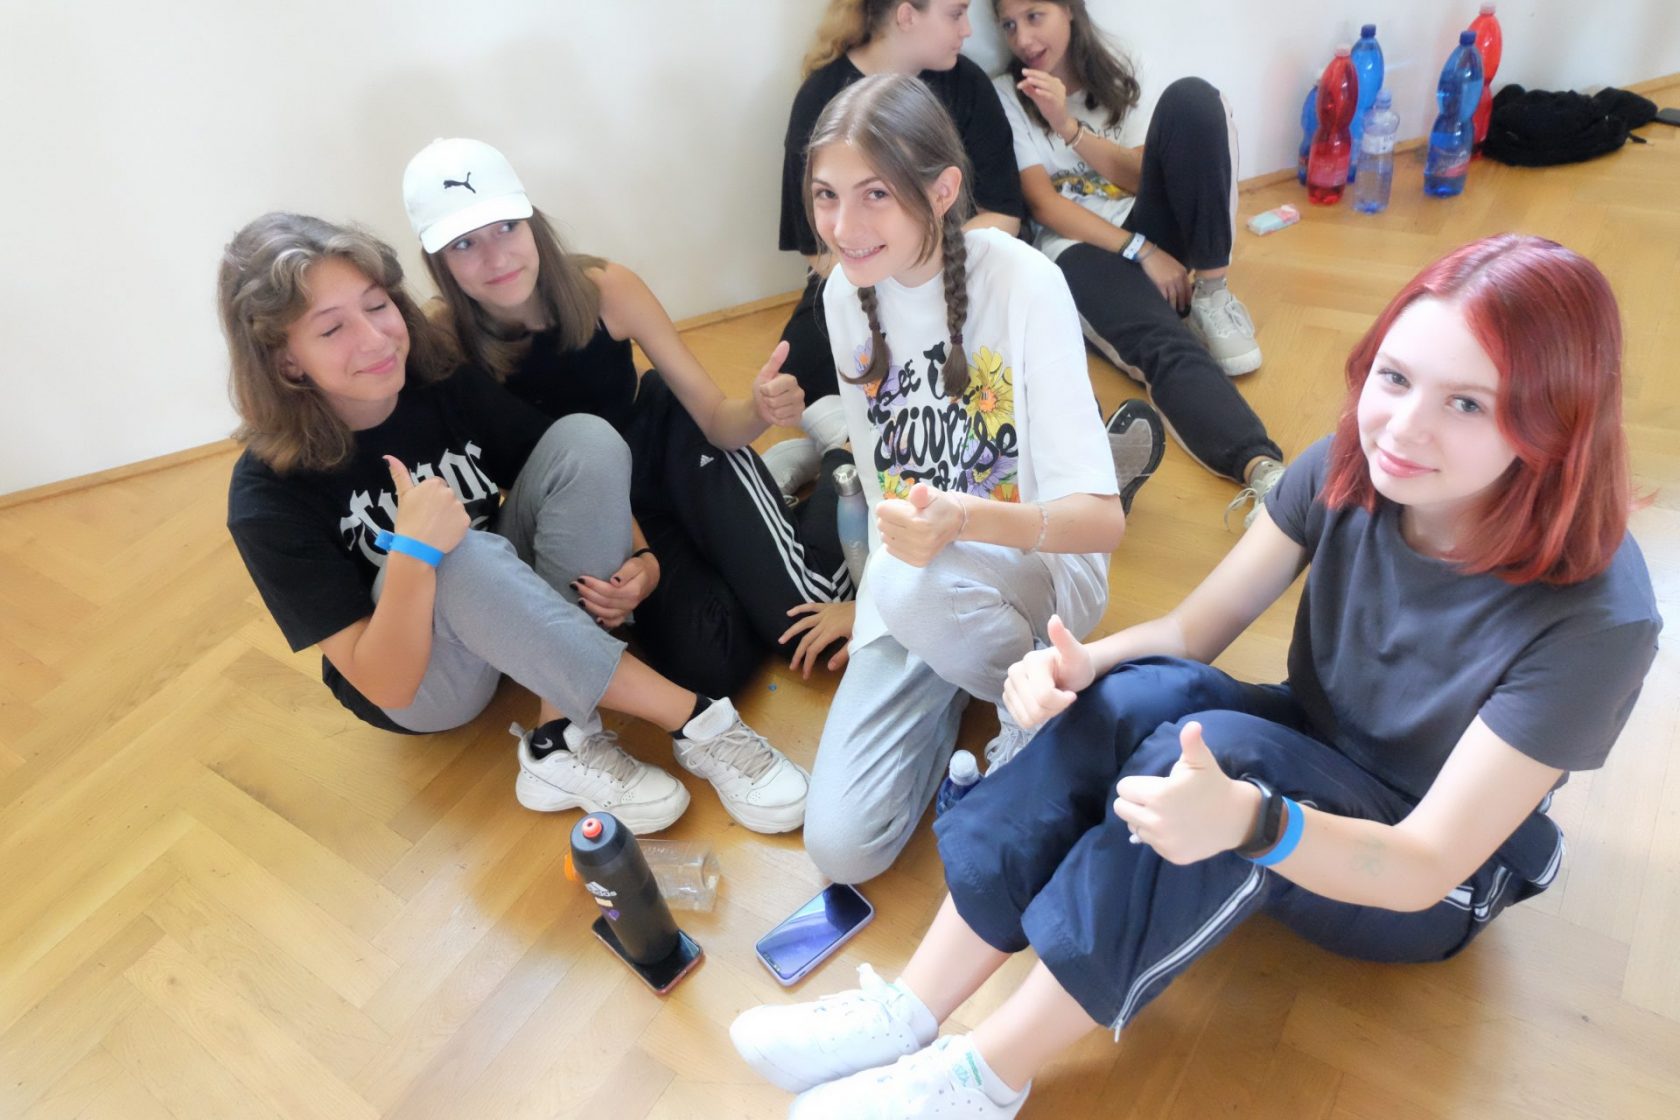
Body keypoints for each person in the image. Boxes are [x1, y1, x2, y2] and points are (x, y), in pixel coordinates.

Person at [731, 234, 1661, 1117]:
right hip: (1318, 743)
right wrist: (1078, 666)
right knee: (1138, 693)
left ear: (1553, 423)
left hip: (1431, 867)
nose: (1405, 427)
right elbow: (1190, 630)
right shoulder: (1354, 461)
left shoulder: (1598, 619)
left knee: (1226, 768)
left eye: (1468, 404)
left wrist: (1255, 822)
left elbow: (1426, 865)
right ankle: (909, 1010)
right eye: (1395, 376)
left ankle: (984, 1076)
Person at [220, 213, 809, 836]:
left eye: (377, 305)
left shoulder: (437, 379)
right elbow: (386, 683)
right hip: (424, 683)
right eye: (333, 328)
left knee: (586, 439)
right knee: (457, 553)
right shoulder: (265, 497)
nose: (375, 339)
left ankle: (559, 739)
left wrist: (644, 558)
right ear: (287, 362)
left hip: (503, 607)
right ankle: (697, 721)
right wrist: (414, 555)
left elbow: (569, 466)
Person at [789, 73, 1129, 888]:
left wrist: (962, 522)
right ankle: (959, 680)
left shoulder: (1023, 282)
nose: (843, 226)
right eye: (827, 195)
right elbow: (885, 492)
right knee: (840, 849)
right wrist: (871, 601)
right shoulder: (843, 296)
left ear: (942, 191)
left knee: (914, 585)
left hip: (1043, 566)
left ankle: (1037, 712)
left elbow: (1100, 525)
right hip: (923, 580)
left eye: (875, 194)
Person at [402, 138, 851, 702]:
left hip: (674, 449)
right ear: (438, 261)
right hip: (605, 513)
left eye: (506, 228)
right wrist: (638, 557)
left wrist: (759, 411)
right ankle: (758, 500)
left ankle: (839, 450)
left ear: (531, 221)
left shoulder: (605, 288)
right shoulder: (441, 344)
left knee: (803, 624)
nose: (496, 258)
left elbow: (715, 418)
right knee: (711, 666)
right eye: (465, 243)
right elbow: (511, 487)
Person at [992, 0, 1288, 525]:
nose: (1023, 39)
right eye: (1009, 25)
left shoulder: (1121, 70)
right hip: (1078, 249)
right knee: (1163, 344)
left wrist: (1067, 125)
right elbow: (1045, 205)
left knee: (1193, 99)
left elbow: (1139, 176)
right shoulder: (1006, 95)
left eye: (1035, 16)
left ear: (1069, 10)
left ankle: (1212, 293)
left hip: (1147, 218)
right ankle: (1265, 474)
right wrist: (1140, 251)